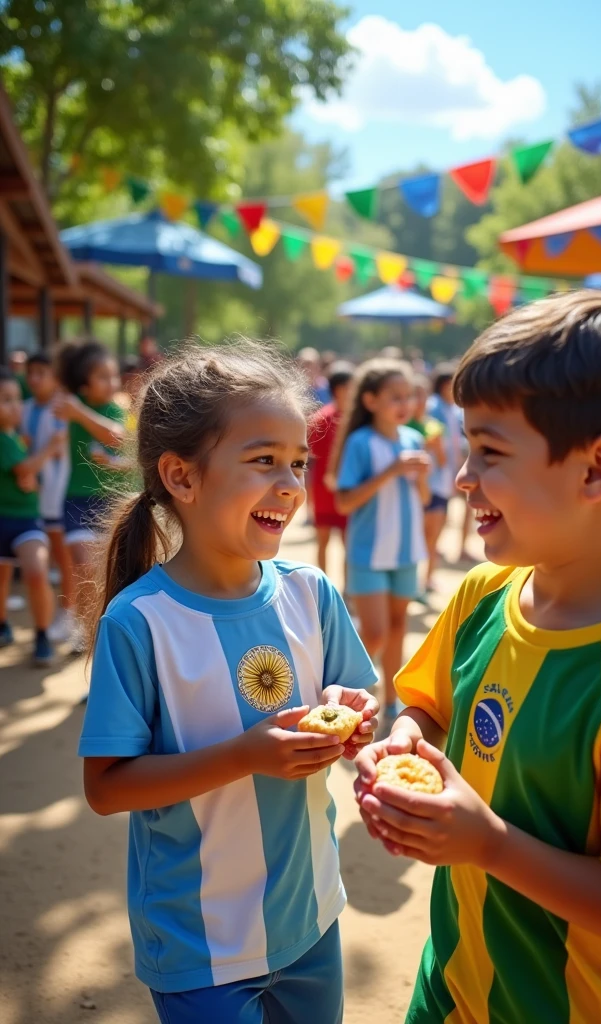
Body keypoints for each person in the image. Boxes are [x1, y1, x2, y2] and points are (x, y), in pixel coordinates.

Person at [355, 293, 601, 1024]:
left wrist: (487, 844)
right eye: (466, 447)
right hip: (443, 995)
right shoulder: (482, 593)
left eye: (491, 451)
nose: (462, 477)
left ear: (600, 469)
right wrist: (403, 743)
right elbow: (428, 704)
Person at [78, 343, 378, 1024]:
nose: (292, 485)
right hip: (199, 943)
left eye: (299, 462)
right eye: (265, 460)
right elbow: (106, 788)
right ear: (182, 477)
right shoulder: (141, 623)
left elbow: (362, 703)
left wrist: (353, 714)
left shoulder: (311, 592)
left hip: (311, 916)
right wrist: (244, 757)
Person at [334, 359, 431, 723]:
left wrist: (422, 477)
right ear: (371, 400)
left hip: (407, 552)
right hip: (367, 551)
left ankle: (391, 700)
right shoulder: (360, 442)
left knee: (397, 627)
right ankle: (344, 690)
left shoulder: (414, 438)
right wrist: (391, 471)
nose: (405, 403)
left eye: (409, 396)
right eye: (395, 396)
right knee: (373, 632)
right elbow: (345, 501)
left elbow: (421, 498)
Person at [53, 340, 126, 653]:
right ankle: (85, 630)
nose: (112, 383)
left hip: (112, 502)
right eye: (102, 376)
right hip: (76, 500)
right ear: (84, 381)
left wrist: (79, 413)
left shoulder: (113, 409)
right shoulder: (66, 404)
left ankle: (107, 629)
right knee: (83, 567)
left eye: (113, 375)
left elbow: (117, 438)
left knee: (108, 572)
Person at [0, 367, 63, 665]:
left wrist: (28, 475)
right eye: (6, 399)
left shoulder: (13, 438)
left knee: (36, 572)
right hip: (4, 518)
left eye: (15, 398)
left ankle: (41, 634)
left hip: (26, 520)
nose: (15, 405)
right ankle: (4, 626)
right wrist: (50, 449)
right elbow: (25, 471)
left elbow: (24, 475)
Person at [22, 352, 75, 643]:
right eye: (31, 372)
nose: (34, 378)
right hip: (31, 497)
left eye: (42, 372)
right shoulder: (25, 408)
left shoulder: (59, 410)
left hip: (55, 494)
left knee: (63, 557)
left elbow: (56, 447)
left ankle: (68, 614)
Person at [308, 360, 354, 575]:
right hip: (324, 492)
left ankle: (348, 591)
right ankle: (323, 587)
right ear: (338, 389)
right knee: (323, 541)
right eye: (349, 386)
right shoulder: (322, 419)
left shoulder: (357, 421)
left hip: (348, 491)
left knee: (349, 545)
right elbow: (311, 455)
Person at [427, 363, 471, 563]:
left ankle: (458, 548)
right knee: (436, 516)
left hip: (451, 470)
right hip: (437, 474)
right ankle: (433, 550)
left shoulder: (454, 409)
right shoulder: (433, 407)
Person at [407, 374, 447, 594]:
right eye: (416, 396)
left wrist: (436, 447)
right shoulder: (404, 427)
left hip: (436, 489)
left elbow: (443, 461)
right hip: (413, 493)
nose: (420, 401)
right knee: (415, 540)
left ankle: (428, 580)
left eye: (423, 396)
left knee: (432, 538)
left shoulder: (435, 427)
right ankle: (412, 584)